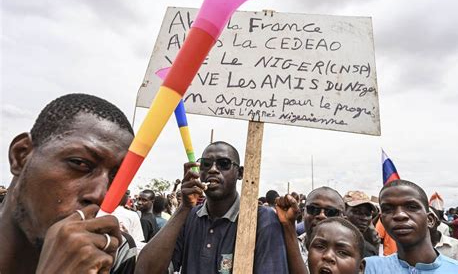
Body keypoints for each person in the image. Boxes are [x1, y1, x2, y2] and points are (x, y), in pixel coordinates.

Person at [0, 93, 136, 273]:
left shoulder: (114, 255)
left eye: (117, 179)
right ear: (21, 155)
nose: (100, 194)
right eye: (80, 163)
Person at [136, 141, 289, 273]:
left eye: (223, 164)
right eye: (206, 164)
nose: (213, 169)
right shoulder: (188, 217)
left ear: (240, 173)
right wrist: (183, 208)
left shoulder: (261, 219)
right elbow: (145, 270)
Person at [364, 179, 458, 273]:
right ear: (382, 221)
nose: (399, 215)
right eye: (388, 209)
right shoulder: (370, 268)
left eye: (411, 207)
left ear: (430, 220)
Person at [276, 186, 345, 273]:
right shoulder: (283, 248)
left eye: (331, 212)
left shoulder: (348, 255)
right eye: (313, 209)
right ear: (303, 213)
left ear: (343, 219)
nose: (321, 215)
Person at [343, 190, 379, 257]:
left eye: (368, 214)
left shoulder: (369, 249)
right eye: (357, 212)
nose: (364, 218)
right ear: (343, 211)